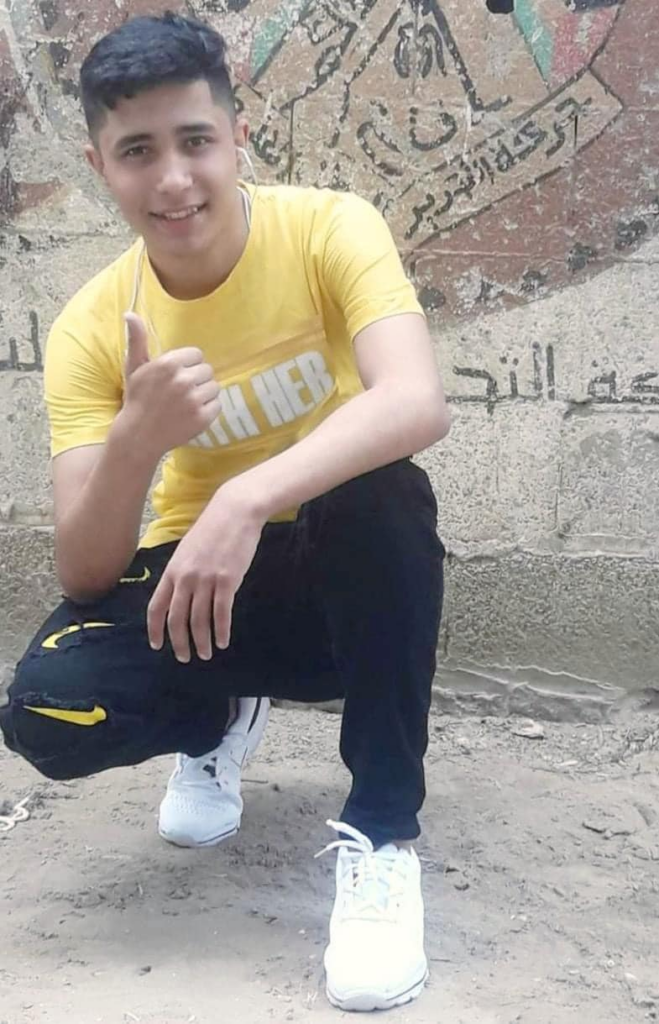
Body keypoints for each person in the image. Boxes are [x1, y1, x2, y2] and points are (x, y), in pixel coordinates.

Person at [0, 12, 450, 1013]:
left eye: (195, 140)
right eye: (137, 151)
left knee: (381, 487)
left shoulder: (328, 227)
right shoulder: (90, 326)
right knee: (46, 708)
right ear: (100, 166)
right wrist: (136, 439)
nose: (173, 180)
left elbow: (415, 400)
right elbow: (83, 571)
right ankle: (215, 717)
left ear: (239, 137)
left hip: (341, 586)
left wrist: (247, 495)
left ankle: (381, 833)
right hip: (197, 592)